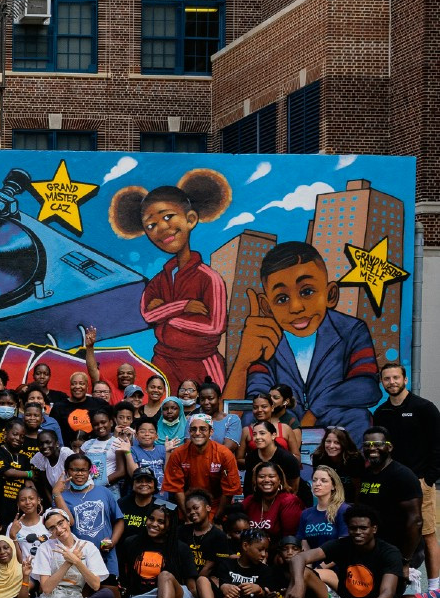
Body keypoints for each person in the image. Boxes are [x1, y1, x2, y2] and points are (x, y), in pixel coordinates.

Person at [231, 241, 381, 435]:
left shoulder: (351, 330)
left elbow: (366, 386)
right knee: (254, 418)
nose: (296, 307)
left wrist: (315, 410)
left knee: (357, 416)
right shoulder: (266, 340)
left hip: (334, 428)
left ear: (331, 295)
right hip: (283, 428)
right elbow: (258, 392)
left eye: (307, 292)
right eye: (282, 298)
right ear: (267, 307)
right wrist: (292, 424)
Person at [106, 173, 230, 388]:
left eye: (167, 217)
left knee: (208, 413)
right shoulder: (158, 281)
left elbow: (215, 325)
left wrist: (167, 316)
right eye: (151, 226)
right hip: (162, 361)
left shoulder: (209, 278)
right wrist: (184, 306)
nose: (161, 229)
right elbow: (147, 314)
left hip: (202, 364)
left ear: (190, 219)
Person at [259, 505, 415, 598]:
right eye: (353, 528)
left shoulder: (389, 552)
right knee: (303, 573)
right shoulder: (343, 545)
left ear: (374, 529)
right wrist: (299, 584)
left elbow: (388, 592)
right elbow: (299, 558)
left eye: (363, 528)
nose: (358, 532)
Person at [373, 362, 440, 598]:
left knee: (428, 533)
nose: (391, 382)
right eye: (387, 379)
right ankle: (399, 581)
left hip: (420, 482)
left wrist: (430, 478)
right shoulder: (381, 413)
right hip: (391, 484)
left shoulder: (424, 408)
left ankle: (434, 593)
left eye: (395, 378)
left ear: (405, 380)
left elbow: (437, 445)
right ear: (382, 382)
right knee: (392, 531)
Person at [107, 504, 199, 598]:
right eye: (151, 519)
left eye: (161, 522)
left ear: (170, 525)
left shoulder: (181, 548)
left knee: (165, 576)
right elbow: (124, 578)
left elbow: (192, 588)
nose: (154, 524)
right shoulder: (131, 543)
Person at [194, 527, 283, 598]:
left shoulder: (265, 571)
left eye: (266, 551)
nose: (264, 555)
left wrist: (259, 590)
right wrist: (224, 586)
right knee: (202, 580)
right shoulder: (227, 564)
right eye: (260, 550)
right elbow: (222, 583)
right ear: (245, 546)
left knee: (238, 596)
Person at [353, 427, 422, 565]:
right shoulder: (366, 474)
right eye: (367, 445)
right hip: (373, 549)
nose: (372, 448)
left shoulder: (403, 476)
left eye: (377, 444)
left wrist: (405, 560)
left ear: (389, 447)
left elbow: (416, 521)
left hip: (398, 552)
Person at [58, 452, 125, 575]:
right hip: (78, 556)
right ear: (67, 472)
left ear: (90, 471)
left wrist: (112, 542)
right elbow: (66, 524)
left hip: (106, 555)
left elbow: (119, 520)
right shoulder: (61, 497)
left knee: (109, 592)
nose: (79, 474)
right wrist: (56, 494)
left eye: (83, 470)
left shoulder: (104, 492)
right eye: (74, 470)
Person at [163, 414, 241, 518]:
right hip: (187, 507)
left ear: (211, 432)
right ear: (189, 432)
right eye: (193, 429)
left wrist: (217, 518)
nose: (197, 433)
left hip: (216, 508)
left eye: (203, 429)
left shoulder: (224, 454)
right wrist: (188, 516)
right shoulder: (178, 454)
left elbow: (229, 490)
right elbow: (176, 488)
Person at [240, 420, 302, 499]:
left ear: (273, 435)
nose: (257, 437)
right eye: (254, 434)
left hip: (285, 501)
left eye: (262, 433)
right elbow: (249, 487)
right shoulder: (251, 458)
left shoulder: (287, 458)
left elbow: (294, 489)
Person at [243, 461, 302, 540]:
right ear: (256, 480)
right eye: (261, 476)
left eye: (271, 476)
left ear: (279, 480)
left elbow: (290, 538)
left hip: (279, 549)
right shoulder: (250, 500)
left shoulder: (289, 501)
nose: (266, 480)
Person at [299, 465, 350, 551]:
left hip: (336, 563)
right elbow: (304, 543)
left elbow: (344, 546)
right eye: (314, 480)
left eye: (324, 481)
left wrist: (322, 565)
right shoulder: (306, 513)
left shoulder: (343, 510)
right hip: (310, 562)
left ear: (333, 486)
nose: (317, 484)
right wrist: (309, 564)